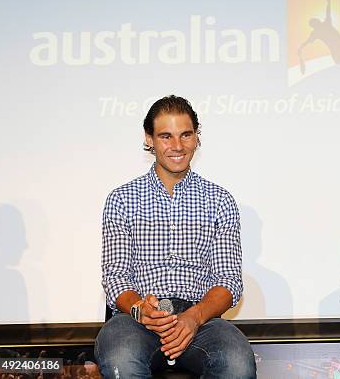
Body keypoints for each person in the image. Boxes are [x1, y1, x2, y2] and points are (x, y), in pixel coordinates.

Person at [95, 95, 256, 378]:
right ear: (149, 139)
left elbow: (229, 282)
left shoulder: (220, 200)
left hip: (202, 321)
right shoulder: (121, 199)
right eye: (166, 136)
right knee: (120, 355)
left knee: (238, 363)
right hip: (138, 321)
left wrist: (194, 317)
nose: (177, 146)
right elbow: (116, 277)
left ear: (197, 137)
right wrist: (140, 310)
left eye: (186, 135)